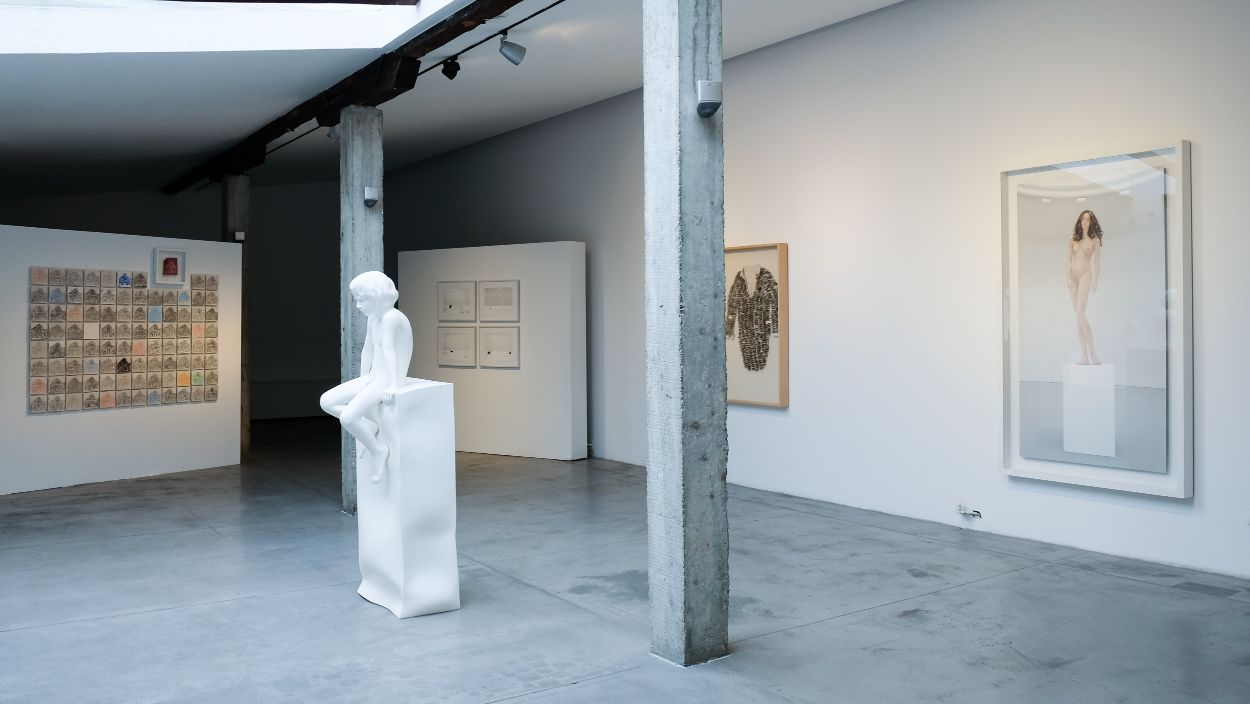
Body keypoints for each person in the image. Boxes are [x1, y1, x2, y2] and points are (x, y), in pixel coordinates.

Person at [320, 272, 413, 482]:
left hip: (387, 378)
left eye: (362, 300)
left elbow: (390, 351)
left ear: (377, 296)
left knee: (348, 417)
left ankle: (378, 450)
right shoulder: (374, 318)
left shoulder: (392, 317)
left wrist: (394, 385)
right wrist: (363, 379)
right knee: (326, 401)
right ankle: (369, 424)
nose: (358, 305)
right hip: (374, 376)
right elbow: (367, 350)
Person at [1066, 209, 1103, 365]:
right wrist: (1067, 278)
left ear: (1092, 222)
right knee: (1078, 316)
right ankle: (1085, 356)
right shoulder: (1073, 239)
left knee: (1081, 313)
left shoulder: (1094, 240)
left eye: (1087, 219)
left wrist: (1095, 281)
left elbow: (1097, 262)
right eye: (1082, 219)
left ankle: (1093, 353)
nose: (1085, 222)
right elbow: (1068, 260)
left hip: (1085, 276)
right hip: (1073, 279)